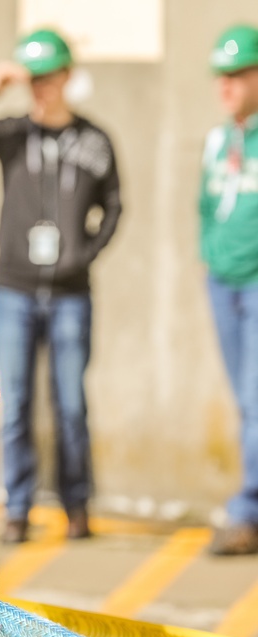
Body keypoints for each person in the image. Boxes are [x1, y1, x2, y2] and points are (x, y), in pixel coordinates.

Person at [0, 28, 122, 544]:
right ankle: (18, 507)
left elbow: (114, 204)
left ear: (68, 76)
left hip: (71, 294)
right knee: (16, 404)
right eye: (34, 79)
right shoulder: (14, 132)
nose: (42, 88)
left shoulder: (95, 139)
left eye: (50, 77)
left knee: (70, 404)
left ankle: (77, 506)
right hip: (15, 290)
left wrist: (87, 251)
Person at [200, 24, 258, 556]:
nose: (228, 85)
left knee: (256, 398)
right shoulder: (221, 138)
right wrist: (212, 256)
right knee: (246, 401)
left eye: (239, 74)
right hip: (225, 281)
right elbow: (206, 207)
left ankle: (247, 510)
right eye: (223, 75)